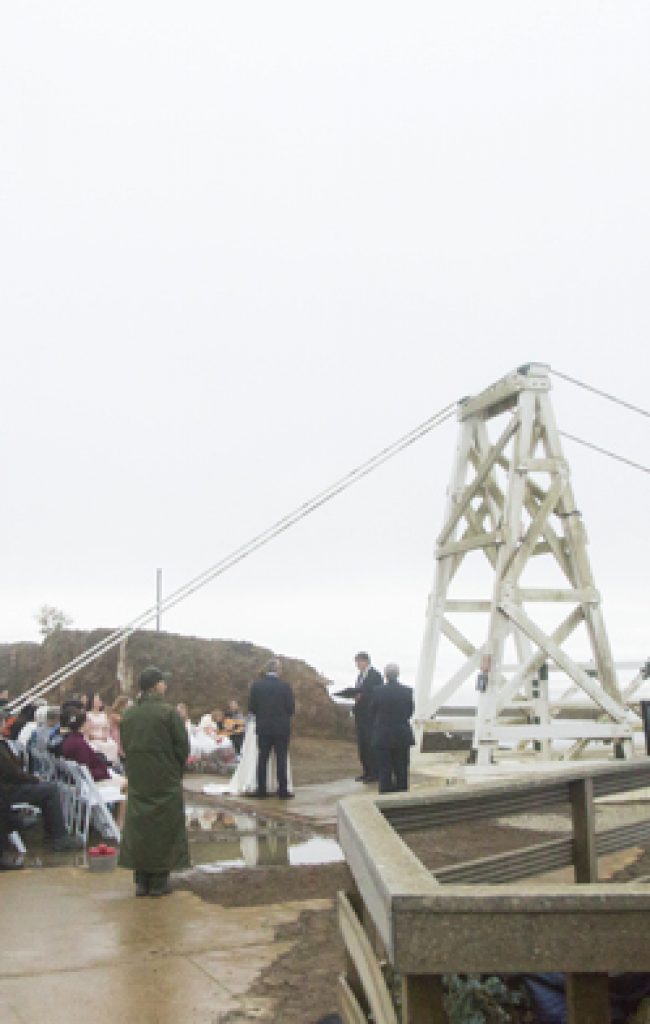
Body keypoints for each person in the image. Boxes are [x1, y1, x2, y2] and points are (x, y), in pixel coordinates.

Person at [119, 666, 189, 897]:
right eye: (162, 682)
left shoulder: (128, 714)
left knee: (140, 827)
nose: (165, 685)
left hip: (139, 777)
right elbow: (182, 747)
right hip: (164, 778)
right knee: (163, 827)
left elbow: (126, 746)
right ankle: (159, 882)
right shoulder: (168, 713)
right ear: (156, 686)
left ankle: (141, 881)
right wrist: (175, 770)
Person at [0, 737, 83, 851]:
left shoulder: (3, 744)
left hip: (9, 788)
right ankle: (59, 837)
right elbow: (12, 773)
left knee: (47, 789)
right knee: (51, 790)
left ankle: (52, 835)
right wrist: (35, 779)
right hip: (9, 791)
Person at [61, 709, 127, 828]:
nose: (90, 724)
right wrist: (105, 772)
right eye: (88, 721)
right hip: (91, 785)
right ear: (83, 724)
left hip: (82, 782)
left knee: (121, 779)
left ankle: (108, 821)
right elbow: (87, 770)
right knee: (127, 785)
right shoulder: (79, 744)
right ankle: (118, 824)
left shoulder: (70, 740)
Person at [248, 657, 295, 799]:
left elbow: (252, 708)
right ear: (278, 670)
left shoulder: (256, 686)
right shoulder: (285, 687)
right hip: (281, 728)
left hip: (263, 727)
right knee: (281, 759)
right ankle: (282, 790)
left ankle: (261, 789)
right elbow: (291, 709)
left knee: (262, 758)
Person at [370, 663, 415, 794]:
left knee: (384, 770)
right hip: (401, 734)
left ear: (386, 675)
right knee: (402, 769)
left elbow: (372, 711)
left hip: (382, 735)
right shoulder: (407, 691)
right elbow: (410, 712)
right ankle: (402, 799)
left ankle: (385, 798)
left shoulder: (378, 691)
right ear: (398, 674)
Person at [352, 651, 383, 782]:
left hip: (370, 716)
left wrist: (362, 697)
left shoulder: (375, 675)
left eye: (359, 662)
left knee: (371, 745)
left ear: (366, 661)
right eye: (356, 662)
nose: (357, 665)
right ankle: (366, 771)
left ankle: (374, 773)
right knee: (362, 745)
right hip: (360, 715)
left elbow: (377, 695)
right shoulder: (360, 677)